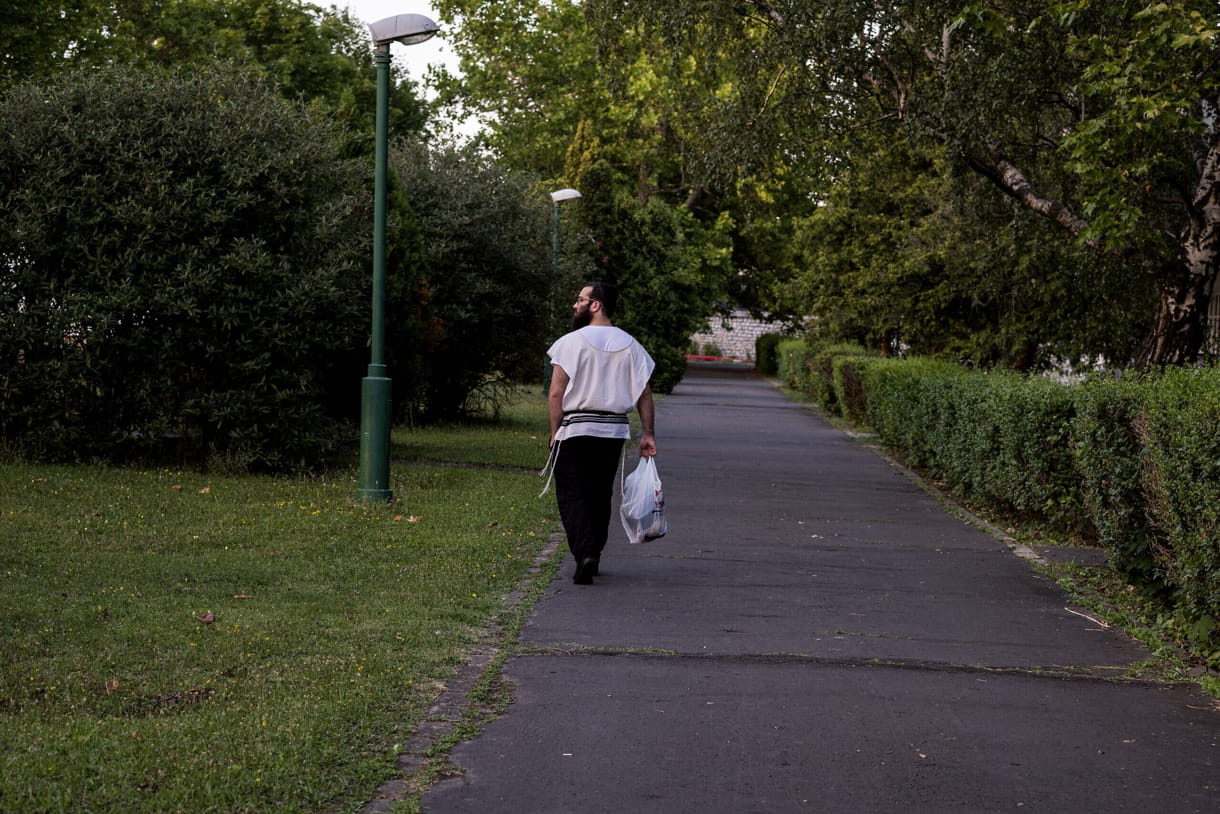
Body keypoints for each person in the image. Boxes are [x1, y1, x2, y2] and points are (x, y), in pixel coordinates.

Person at [545, 282, 656, 585]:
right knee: (599, 493)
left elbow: (557, 393)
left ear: (595, 304)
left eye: (579, 300)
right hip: (613, 432)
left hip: (576, 429)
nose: (575, 305)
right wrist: (648, 434)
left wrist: (555, 432)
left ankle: (584, 553)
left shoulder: (571, 342)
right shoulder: (631, 345)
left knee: (572, 493)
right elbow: (644, 394)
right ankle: (594, 551)